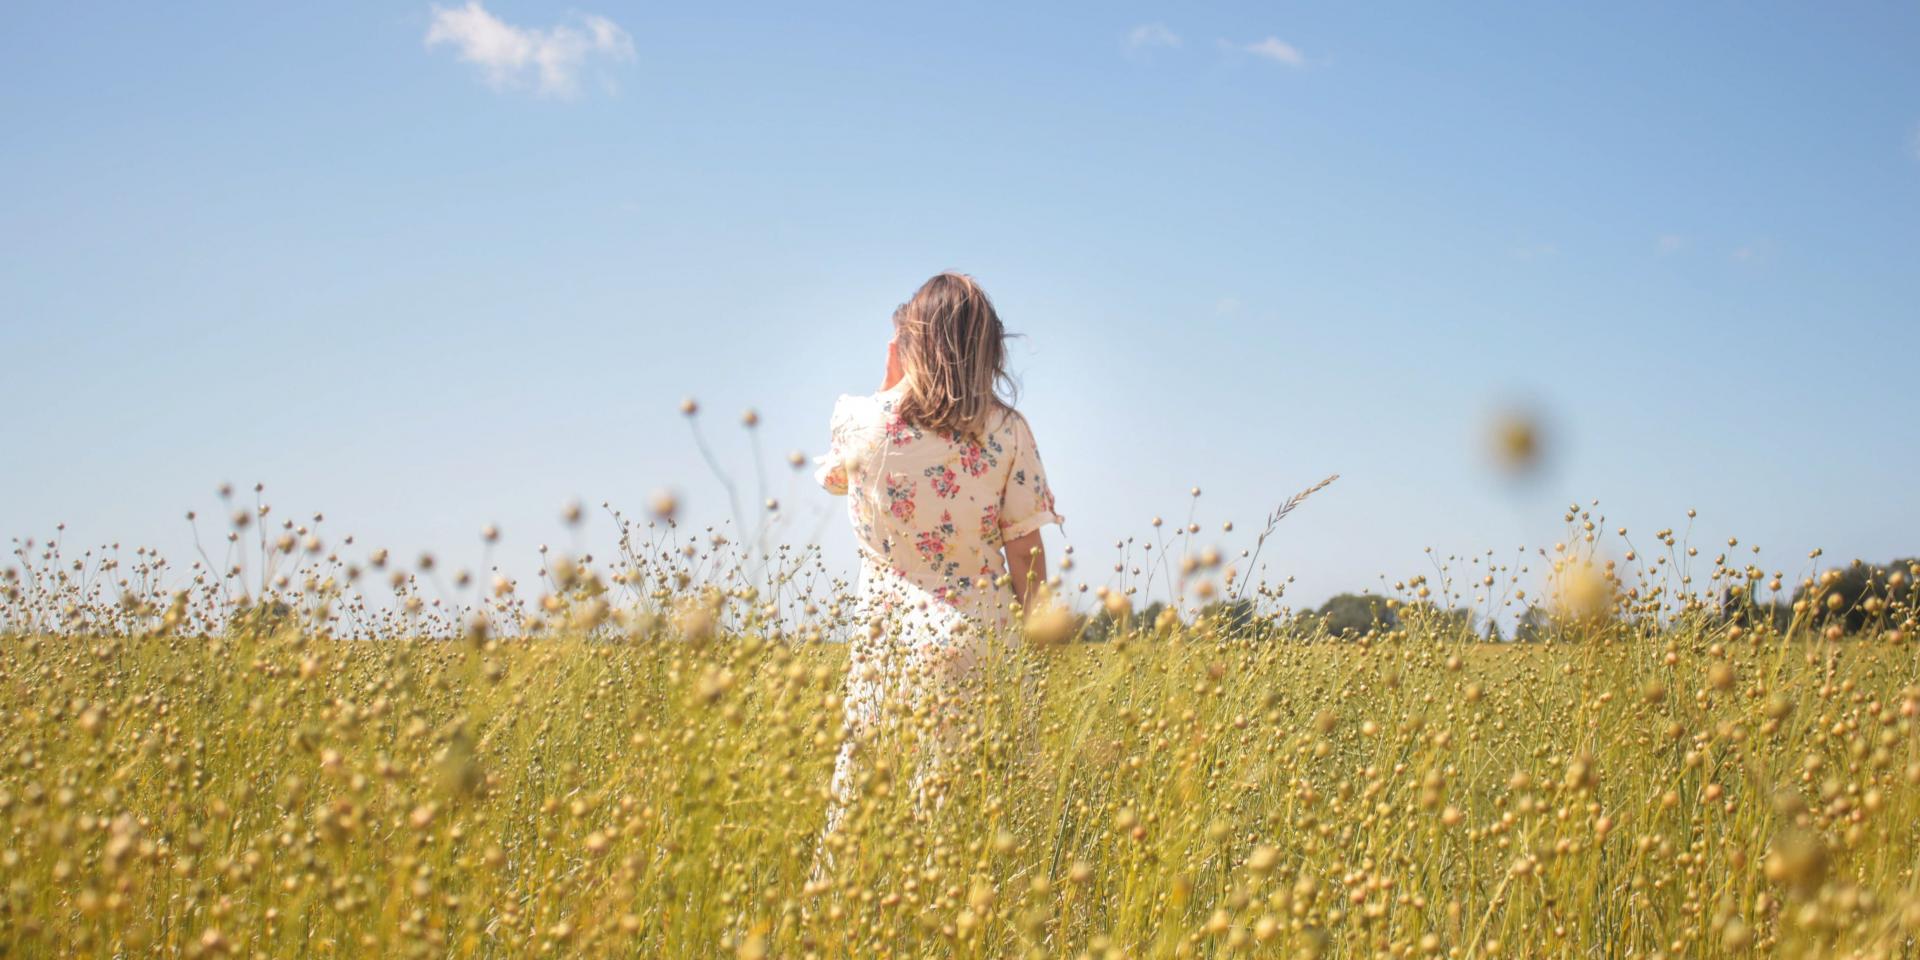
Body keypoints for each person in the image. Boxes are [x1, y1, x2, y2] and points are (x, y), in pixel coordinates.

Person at [811, 271, 1063, 867]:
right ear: (987, 349)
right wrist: (1040, 636)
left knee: (860, 804)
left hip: (887, 640)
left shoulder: (858, 419)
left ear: (908, 341)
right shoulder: (1009, 431)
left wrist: (887, 384)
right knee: (971, 814)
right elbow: (1025, 548)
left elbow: (831, 480)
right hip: (983, 637)